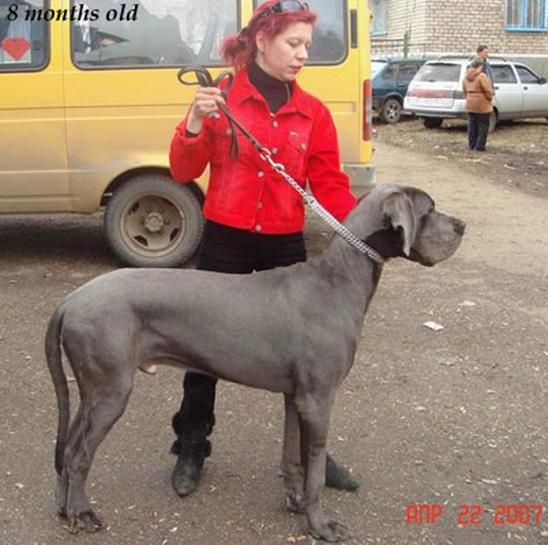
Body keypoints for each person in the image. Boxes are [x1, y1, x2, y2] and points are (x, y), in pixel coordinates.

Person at [168, 0, 359, 497]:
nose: (303, 55)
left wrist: (363, 230)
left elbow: (330, 185)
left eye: (306, 46)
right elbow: (184, 171)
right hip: (225, 240)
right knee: (201, 348)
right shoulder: (221, 99)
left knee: (304, 354)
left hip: (283, 244)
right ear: (261, 41)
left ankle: (309, 453)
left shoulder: (313, 113)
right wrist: (194, 123)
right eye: (293, 44)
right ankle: (192, 443)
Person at [463, 56, 493, 152]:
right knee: (483, 125)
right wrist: (490, 98)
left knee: (472, 125)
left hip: (470, 103)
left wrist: (468, 98)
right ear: (480, 65)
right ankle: (480, 146)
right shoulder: (482, 76)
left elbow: (464, 90)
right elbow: (488, 90)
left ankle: (472, 145)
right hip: (482, 104)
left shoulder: (466, 76)